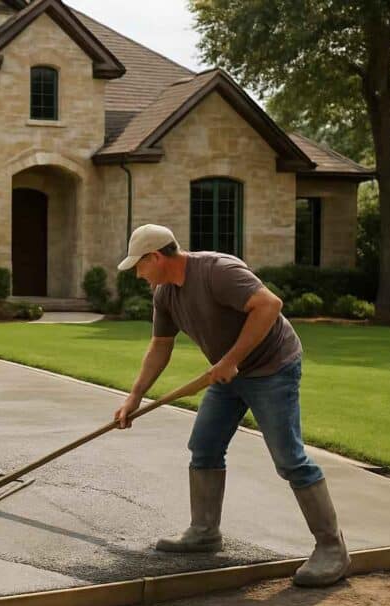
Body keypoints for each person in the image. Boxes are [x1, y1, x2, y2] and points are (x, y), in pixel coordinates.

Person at [114, 223, 349, 587]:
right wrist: (134, 396)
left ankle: (332, 548)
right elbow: (160, 346)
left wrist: (231, 359)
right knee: (204, 447)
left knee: (289, 458)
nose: (138, 275)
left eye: (139, 266)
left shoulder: (217, 270)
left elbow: (269, 305)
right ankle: (205, 532)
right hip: (228, 374)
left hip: (273, 368)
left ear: (156, 257)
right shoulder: (165, 294)